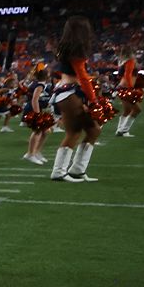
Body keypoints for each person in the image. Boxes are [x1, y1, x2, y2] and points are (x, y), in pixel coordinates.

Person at [49, 16, 102, 183]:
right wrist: (93, 100)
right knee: (74, 133)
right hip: (70, 93)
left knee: (94, 130)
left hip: (68, 92)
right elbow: (83, 77)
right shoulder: (77, 50)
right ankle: (58, 172)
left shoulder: (66, 48)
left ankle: (78, 170)